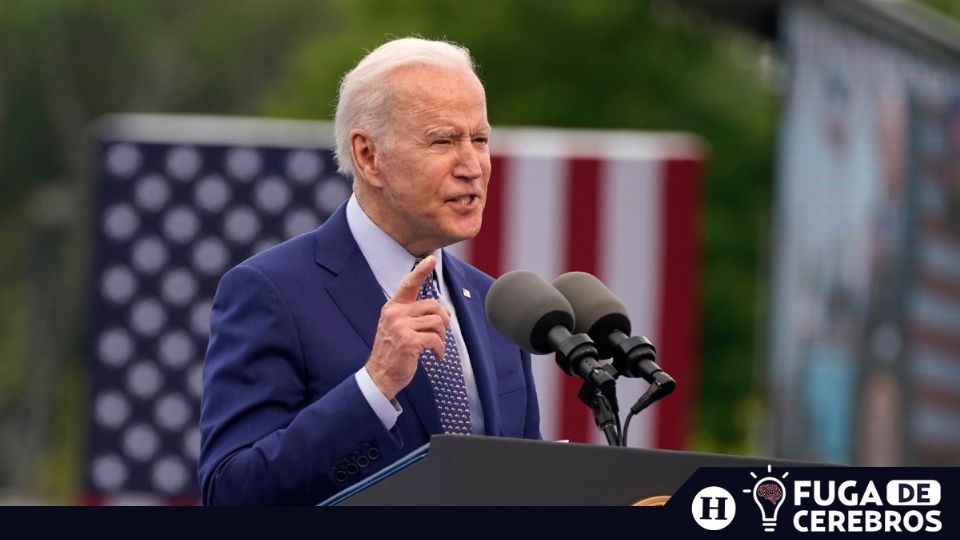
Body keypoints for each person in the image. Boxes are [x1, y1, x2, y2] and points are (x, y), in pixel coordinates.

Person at [197, 37, 541, 505]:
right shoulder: (271, 291)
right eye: (443, 140)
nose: (472, 166)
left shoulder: (497, 306)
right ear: (368, 156)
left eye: (479, 139)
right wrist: (374, 386)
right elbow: (231, 493)